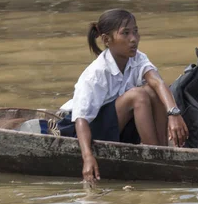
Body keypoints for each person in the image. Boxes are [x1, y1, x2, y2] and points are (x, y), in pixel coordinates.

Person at [59, 9, 188, 183]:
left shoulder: (138, 58)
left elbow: (157, 82)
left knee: (151, 90)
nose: (133, 39)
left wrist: (174, 113)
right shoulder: (96, 73)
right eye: (125, 33)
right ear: (106, 40)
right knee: (138, 95)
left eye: (135, 31)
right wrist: (88, 157)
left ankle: (161, 151)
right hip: (84, 132)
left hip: (117, 127)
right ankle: (155, 159)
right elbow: (81, 120)